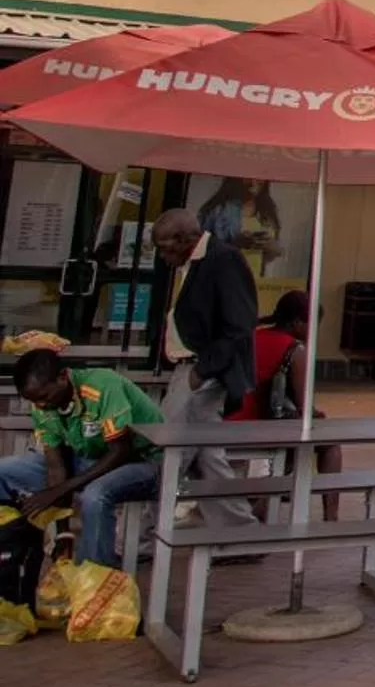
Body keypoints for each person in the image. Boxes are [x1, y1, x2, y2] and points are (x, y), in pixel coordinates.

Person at [0, 349, 160, 569]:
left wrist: (60, 490)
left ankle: (95, 580)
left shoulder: (102, 385)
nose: (41, 405)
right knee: (4, 470)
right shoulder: (40, 403)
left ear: (63, 377)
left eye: (44, 397)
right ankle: (10, 561)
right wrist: (63, 532)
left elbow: (120, 450)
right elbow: (56, 468)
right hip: (86, 459)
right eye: (34, 401)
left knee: (95, 495)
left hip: (142, 461)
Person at [153, 206, 259, 534]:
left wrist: (204, 369)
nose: (162, 256)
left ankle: (142, 534)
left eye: (166, 247)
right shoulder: (190, 262)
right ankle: (239, 530)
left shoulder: (222, 259)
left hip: (202, 372)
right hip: (189, 367)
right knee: (208, 456)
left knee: (168, 450)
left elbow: (240, 324)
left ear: (187, 239)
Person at [227, 291, 345, 519]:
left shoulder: (251, 337)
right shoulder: (295, 350)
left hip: (229, 420)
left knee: (291, 447)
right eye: (312, 324)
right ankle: (331, 517)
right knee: (329, 445)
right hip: (259, 427)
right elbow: (304, 409)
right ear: (297, 322)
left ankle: (263, 503)